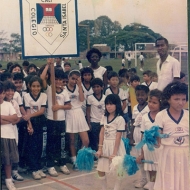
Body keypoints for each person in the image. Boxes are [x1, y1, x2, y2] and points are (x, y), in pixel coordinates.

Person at [154, 82, 189, 190]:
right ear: (168, 99)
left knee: (184, 180)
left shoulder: (188, 115)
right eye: (177, 99)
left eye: (183, 99)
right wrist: (155, 139)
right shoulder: (161, 115)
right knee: (168, 179)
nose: (181, 102)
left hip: (185, 154)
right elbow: (157, 138)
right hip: (168, 153)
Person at [40, 61, 72, 176]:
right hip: (50, 121)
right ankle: (50, 165)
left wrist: (59, 106)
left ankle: (62, 163)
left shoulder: (65, 92)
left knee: (61, 144)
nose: (58, 82)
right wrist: (48, 65)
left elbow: (69, 106)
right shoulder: (49, 89)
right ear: (53, 80)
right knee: (50, 144)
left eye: (60, 80)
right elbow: (42, 78)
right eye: (56, 79)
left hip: (61, 121)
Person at [96, 94, 126, 190]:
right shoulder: (104, 117)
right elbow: (101, 133)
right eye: (107, 104)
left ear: (117, 105)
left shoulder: (120, 119)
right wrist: (100, 148)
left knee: (119, 169)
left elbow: (118, 137)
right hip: (105, 145)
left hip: (116, 146)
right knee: (100, 169)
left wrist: (114, 153)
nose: (108, 106)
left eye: (111, 104)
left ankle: (116, 188)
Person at [136, 89, 163, 190]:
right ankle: (151, 182)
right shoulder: (144, 118)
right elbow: (143, 136)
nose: (151, 104)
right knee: (151, 167)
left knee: (160, 168)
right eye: (150, 102)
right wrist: (142, 153)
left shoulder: (163, 115)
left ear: (161, 103)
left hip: (160, 148)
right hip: (148, 148)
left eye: (154, 103)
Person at [23, 76, 47, 180]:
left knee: (40, 145)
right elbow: (27, 111)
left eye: (38, 86)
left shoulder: (44, 95)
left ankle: (39, 167)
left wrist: (30, 116)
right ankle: (33, 169)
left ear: (41, 87)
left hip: (41, 121)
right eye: (33, 86)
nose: (36, 88)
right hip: (31, 123)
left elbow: (42, 111)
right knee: (32, 146)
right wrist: (29, 124)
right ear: (29, 86)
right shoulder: (26, 96)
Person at [65, 70, 89, 170]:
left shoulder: (80, 87)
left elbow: (82, 100)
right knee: (72, 140)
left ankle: (80, 158)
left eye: (76, 79)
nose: (74, 81)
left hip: (79, 112)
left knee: (86, 140)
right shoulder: (64, 88)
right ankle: (74, 161)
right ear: (69, 78)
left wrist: (79, 86)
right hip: (69, 113)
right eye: (73, 78)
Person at [3, 81, 25, 181]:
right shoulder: (2, 103)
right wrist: (10, 119)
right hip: (4, 131)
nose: (10, 93)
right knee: (5, 153)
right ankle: (6, 175)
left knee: (13, 152)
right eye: (7, 91)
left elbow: (17, 118)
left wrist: (12, 120)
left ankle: (14, 172)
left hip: (13, 130)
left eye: (12, 90)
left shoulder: (14, 103)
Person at [0, 81, 19, 190]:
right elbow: (10, 119)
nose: (1, 95)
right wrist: (8, 119)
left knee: (8, 161)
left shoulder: (8, 104)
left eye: (2, 93)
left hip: (8, 135)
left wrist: (3, 118)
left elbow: (15, 118)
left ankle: (8, 180)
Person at [132, 85, 150, 188]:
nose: (140, 97)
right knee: (139, 157)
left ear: (147, 95)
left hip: (146, 134)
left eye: (142, 95)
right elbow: (133, 122)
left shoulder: (149, 107)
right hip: (137, 133)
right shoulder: (135, 108)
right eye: (138, 95)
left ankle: (151, 179)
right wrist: (131, 136)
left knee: (147, 156)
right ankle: (143, 178)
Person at [86, 78, 106, 152]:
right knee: (94, 140)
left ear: (102, 87)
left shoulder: (105, 98)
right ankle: (95, 155)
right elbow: (88, 111)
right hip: (93, 122)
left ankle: (102, 153)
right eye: (94, 87)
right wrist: (89, 123)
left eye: (98, 86)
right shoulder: (90, 98)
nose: (96, 89)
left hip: (103, 122)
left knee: (102, 139)